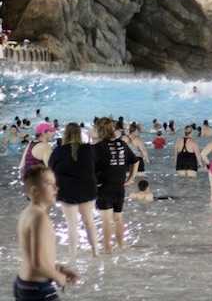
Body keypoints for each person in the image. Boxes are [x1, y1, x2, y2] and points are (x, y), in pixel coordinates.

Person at [14, 165, 78, 300]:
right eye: (49, 184)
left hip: (24, 284)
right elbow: (37, 264)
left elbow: (33, 257)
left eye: (55, 183)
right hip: (38, 288)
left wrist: (56, 268)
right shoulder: (40, 218)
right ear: (35, 191)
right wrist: (59, 277)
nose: (56, 188)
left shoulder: (27, 213)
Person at [47, 123, 99, 260]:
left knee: (72, 225)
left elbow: (50, 169)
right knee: (89, 221)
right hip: (87, 188)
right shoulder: (88, 149)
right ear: (79, 134)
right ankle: (96, 253)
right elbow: (96, 166)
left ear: (65, 134)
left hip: (66, 190)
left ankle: (73, 258)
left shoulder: (58, 151)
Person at [93, 116, 138, 254]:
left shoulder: (97, 147)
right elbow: (135, 161)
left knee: (106, 220)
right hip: (120, 187)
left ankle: (107, 249)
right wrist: (130, 179)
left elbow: (90, 168)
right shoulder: (122, 144)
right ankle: (120, 246)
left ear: (100, 130)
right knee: (118, 218)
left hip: (104, 186)